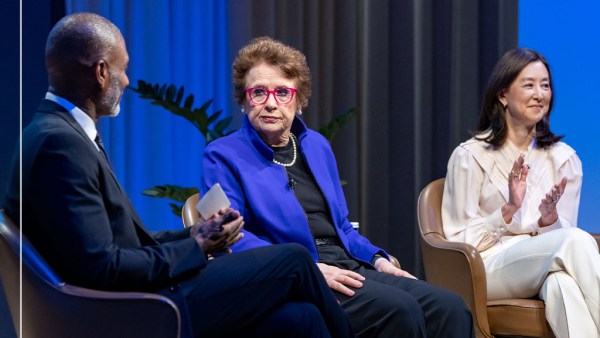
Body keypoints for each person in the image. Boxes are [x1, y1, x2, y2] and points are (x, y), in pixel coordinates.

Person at [3, 13, 355, 338]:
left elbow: (119, 243)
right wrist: (197, 247)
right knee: (292, 259)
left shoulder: (58, 132)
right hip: (128, 309)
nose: (126, 80)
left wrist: (196, 233)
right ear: (101, 72)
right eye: (123, 69)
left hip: (133, 293)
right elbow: (103, 267)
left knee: (301, 318)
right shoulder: (60, 143)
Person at [201, 36, 474, 338]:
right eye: (258, 93)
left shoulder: (316, 146)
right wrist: (305, 268)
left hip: (346, 265)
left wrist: (377, 259)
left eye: (282, 92)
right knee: (400, 309)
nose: (270, 103)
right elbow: (231, 237)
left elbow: (342, 226)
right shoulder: (223, 155)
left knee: (449, 306)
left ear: (299, 100)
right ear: (243, 100)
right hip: (292, 277)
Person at [442, 47, 600, 338]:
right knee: (575, 241)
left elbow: (562, 243)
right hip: (485, 269)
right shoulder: (469, 156)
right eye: (529, 85)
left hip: (542, 264)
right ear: (503, 95)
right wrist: (507, 210)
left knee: (561, 285)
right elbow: (459, 240)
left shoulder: (564, 159)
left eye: (545, 85)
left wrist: (548, 220)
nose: (540, 94)